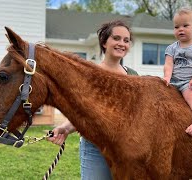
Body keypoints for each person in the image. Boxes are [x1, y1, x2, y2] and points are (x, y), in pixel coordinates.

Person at [47, 20, 138, 180]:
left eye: (126, 40)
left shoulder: (133, 76)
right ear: (104, 42)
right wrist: (65, 128)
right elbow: (82, 113)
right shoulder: (89, 74)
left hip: (127, 149)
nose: (121, 43)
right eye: (116, 38)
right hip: (95, 148)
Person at [163, 7, 192, 137]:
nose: (180, 29)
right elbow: (168, 64)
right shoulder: (171, 48)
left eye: (185, 25)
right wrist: (167, 77)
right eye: (177, 27)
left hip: (187, 83)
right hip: (172, 81)